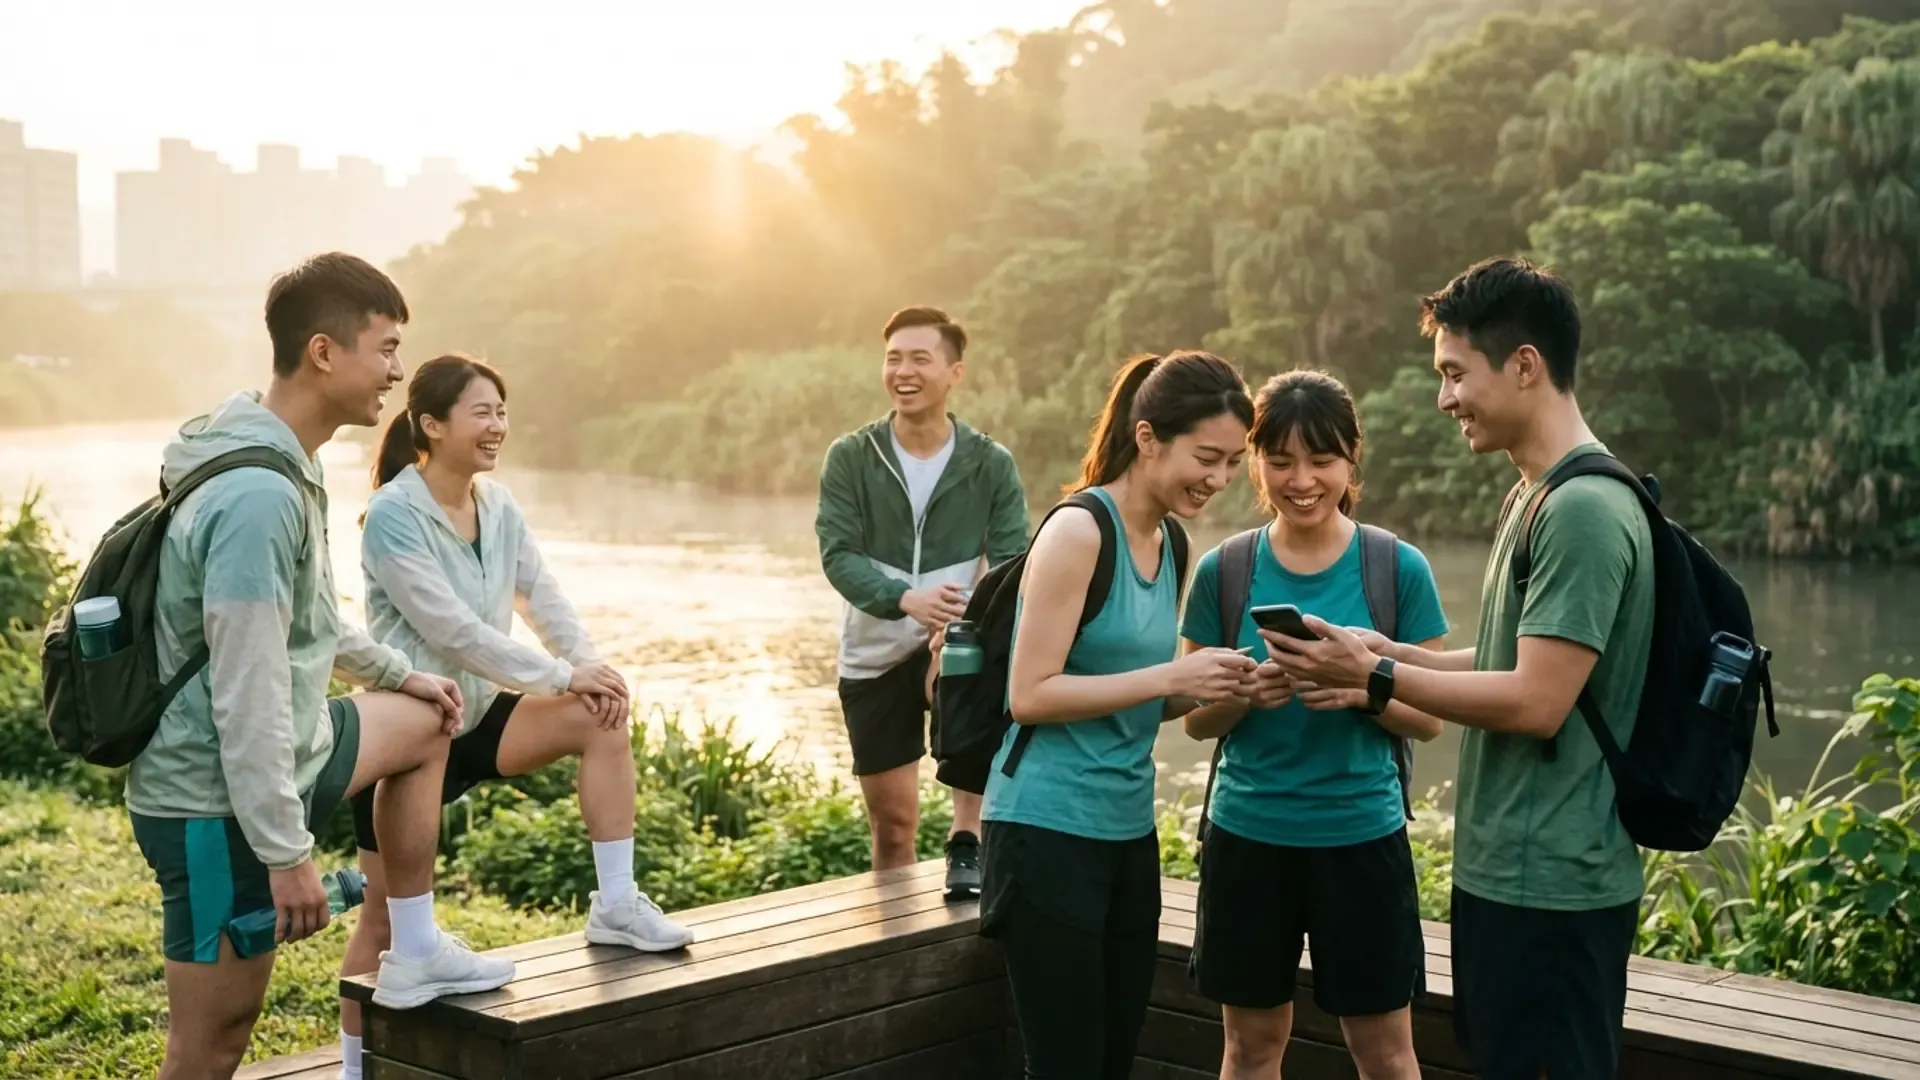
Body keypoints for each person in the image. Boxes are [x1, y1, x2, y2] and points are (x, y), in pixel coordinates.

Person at [1261, 257, 1655, 1080]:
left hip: (1556, 883)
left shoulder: (1584, 509)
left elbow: (1539, 701)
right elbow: (1520, 659)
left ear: (1524, 365)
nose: (1443, 398)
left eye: (1453, 374)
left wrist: (1369, 682)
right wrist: (1388, 653)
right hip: (1508, 874)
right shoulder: (1534, 493)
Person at [125, 252, 515, 1080]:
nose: (399, 373)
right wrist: (285, 853)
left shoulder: (277, 460)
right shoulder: (257, 497)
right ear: (324, 352)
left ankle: (411, 947)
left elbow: (304, 621)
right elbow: (247, 687)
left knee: (425, 718)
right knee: (216, 1038)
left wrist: (400, 672)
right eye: (386, 348)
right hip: (209, 797)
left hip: (283, 746)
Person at [338, 353, 694, 1079]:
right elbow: (452, 633)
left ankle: (617, 904)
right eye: (482, 412)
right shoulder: (392, 516)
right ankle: (352, 1067)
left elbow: (542, 597)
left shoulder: (498, 506)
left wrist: (588, 672)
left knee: (602, 719)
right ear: (429, 425)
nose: (498, 426)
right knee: (381, 921)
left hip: (482, 717)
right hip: (410, 733)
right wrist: (562, 673)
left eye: (502, 411)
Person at [979, 351, 1262, 1080]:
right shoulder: (1080, 532)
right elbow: (1030, 694)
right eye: (1207, 457)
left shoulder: (1170, 541)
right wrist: (1174, 671)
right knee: (1066, 1064)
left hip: (1125, 833)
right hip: (1045, 831)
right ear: (1146, 438)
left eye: (1233, 463)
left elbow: (1134, 695)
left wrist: (1226, 687)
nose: (1219, 479)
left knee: (1110, 1059)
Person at [1178, 370, 1452, 1080]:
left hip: (1362, 840)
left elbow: (1429, 718)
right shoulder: (1225, 570)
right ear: (1256, 461)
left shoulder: (1396, 568)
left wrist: (1363, 689)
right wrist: (1247, 691)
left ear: (1351, 459)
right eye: (1280, 459)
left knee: (1386, 1054)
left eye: (1322, 459)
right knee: (1250, 1049)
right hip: (1248, 840)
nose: (1302, 480)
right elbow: (1193, 722)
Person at [814, 306, 1030, 896]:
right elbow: (838, 554)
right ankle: (896, 943)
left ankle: (966, 842)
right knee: (892, 824)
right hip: (873, 648)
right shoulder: (852, 457)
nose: (903, 371)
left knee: (976, 676)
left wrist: (962, 626)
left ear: (954, 373)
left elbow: (1013, 564)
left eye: (919, 359)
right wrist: (906, 599)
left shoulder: (990, 463)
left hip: (954, 642)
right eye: (893, 358)